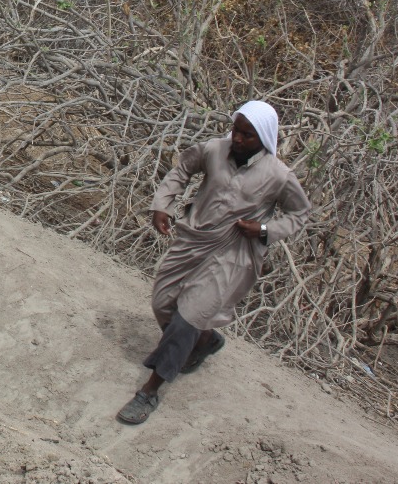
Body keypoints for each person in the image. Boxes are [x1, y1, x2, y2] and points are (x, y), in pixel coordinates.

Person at [115, 100, 311, 425]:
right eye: (236, 130)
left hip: (233, 253)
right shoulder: (213, 150)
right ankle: (205, 340)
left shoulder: (278, 175)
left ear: (264, 137)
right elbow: (182, 169)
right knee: (163, 304)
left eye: (247, 135)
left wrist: (264, 230)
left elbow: (300, 213)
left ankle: (149, 392)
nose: (238, 139)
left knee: (188, 317)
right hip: (193, 240)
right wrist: (162, 204)